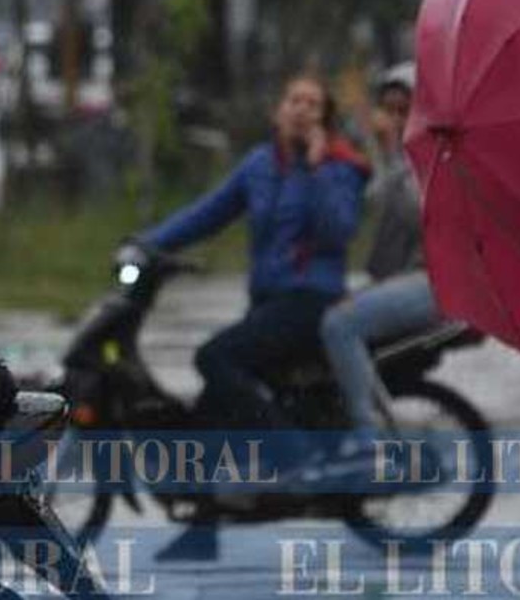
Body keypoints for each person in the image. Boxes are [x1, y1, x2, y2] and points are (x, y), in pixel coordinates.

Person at [132, 74, 370, 560]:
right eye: (294, 100)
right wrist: (147, 243)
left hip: (311, 302)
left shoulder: (339, 167)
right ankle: (203, 530)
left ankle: (292, 452)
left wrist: (316, 167)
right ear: (278, 112)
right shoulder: (259, 165)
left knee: (213, 357)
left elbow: (339, 230)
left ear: (324, 120)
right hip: (269, 306)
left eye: (313, 104)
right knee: (210, 406)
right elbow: (208, 213)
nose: (301, 109)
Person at [306, 62, 442, 475]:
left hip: (439, 282)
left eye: (405, 110)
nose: (395, 118)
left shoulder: (439, 156)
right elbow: (366, 207)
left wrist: (395, 151)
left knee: (339, 325)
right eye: (390, 109)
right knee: (321, 307)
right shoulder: (399, 159)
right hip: (405, 277)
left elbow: (417, 212)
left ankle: (367, 439)